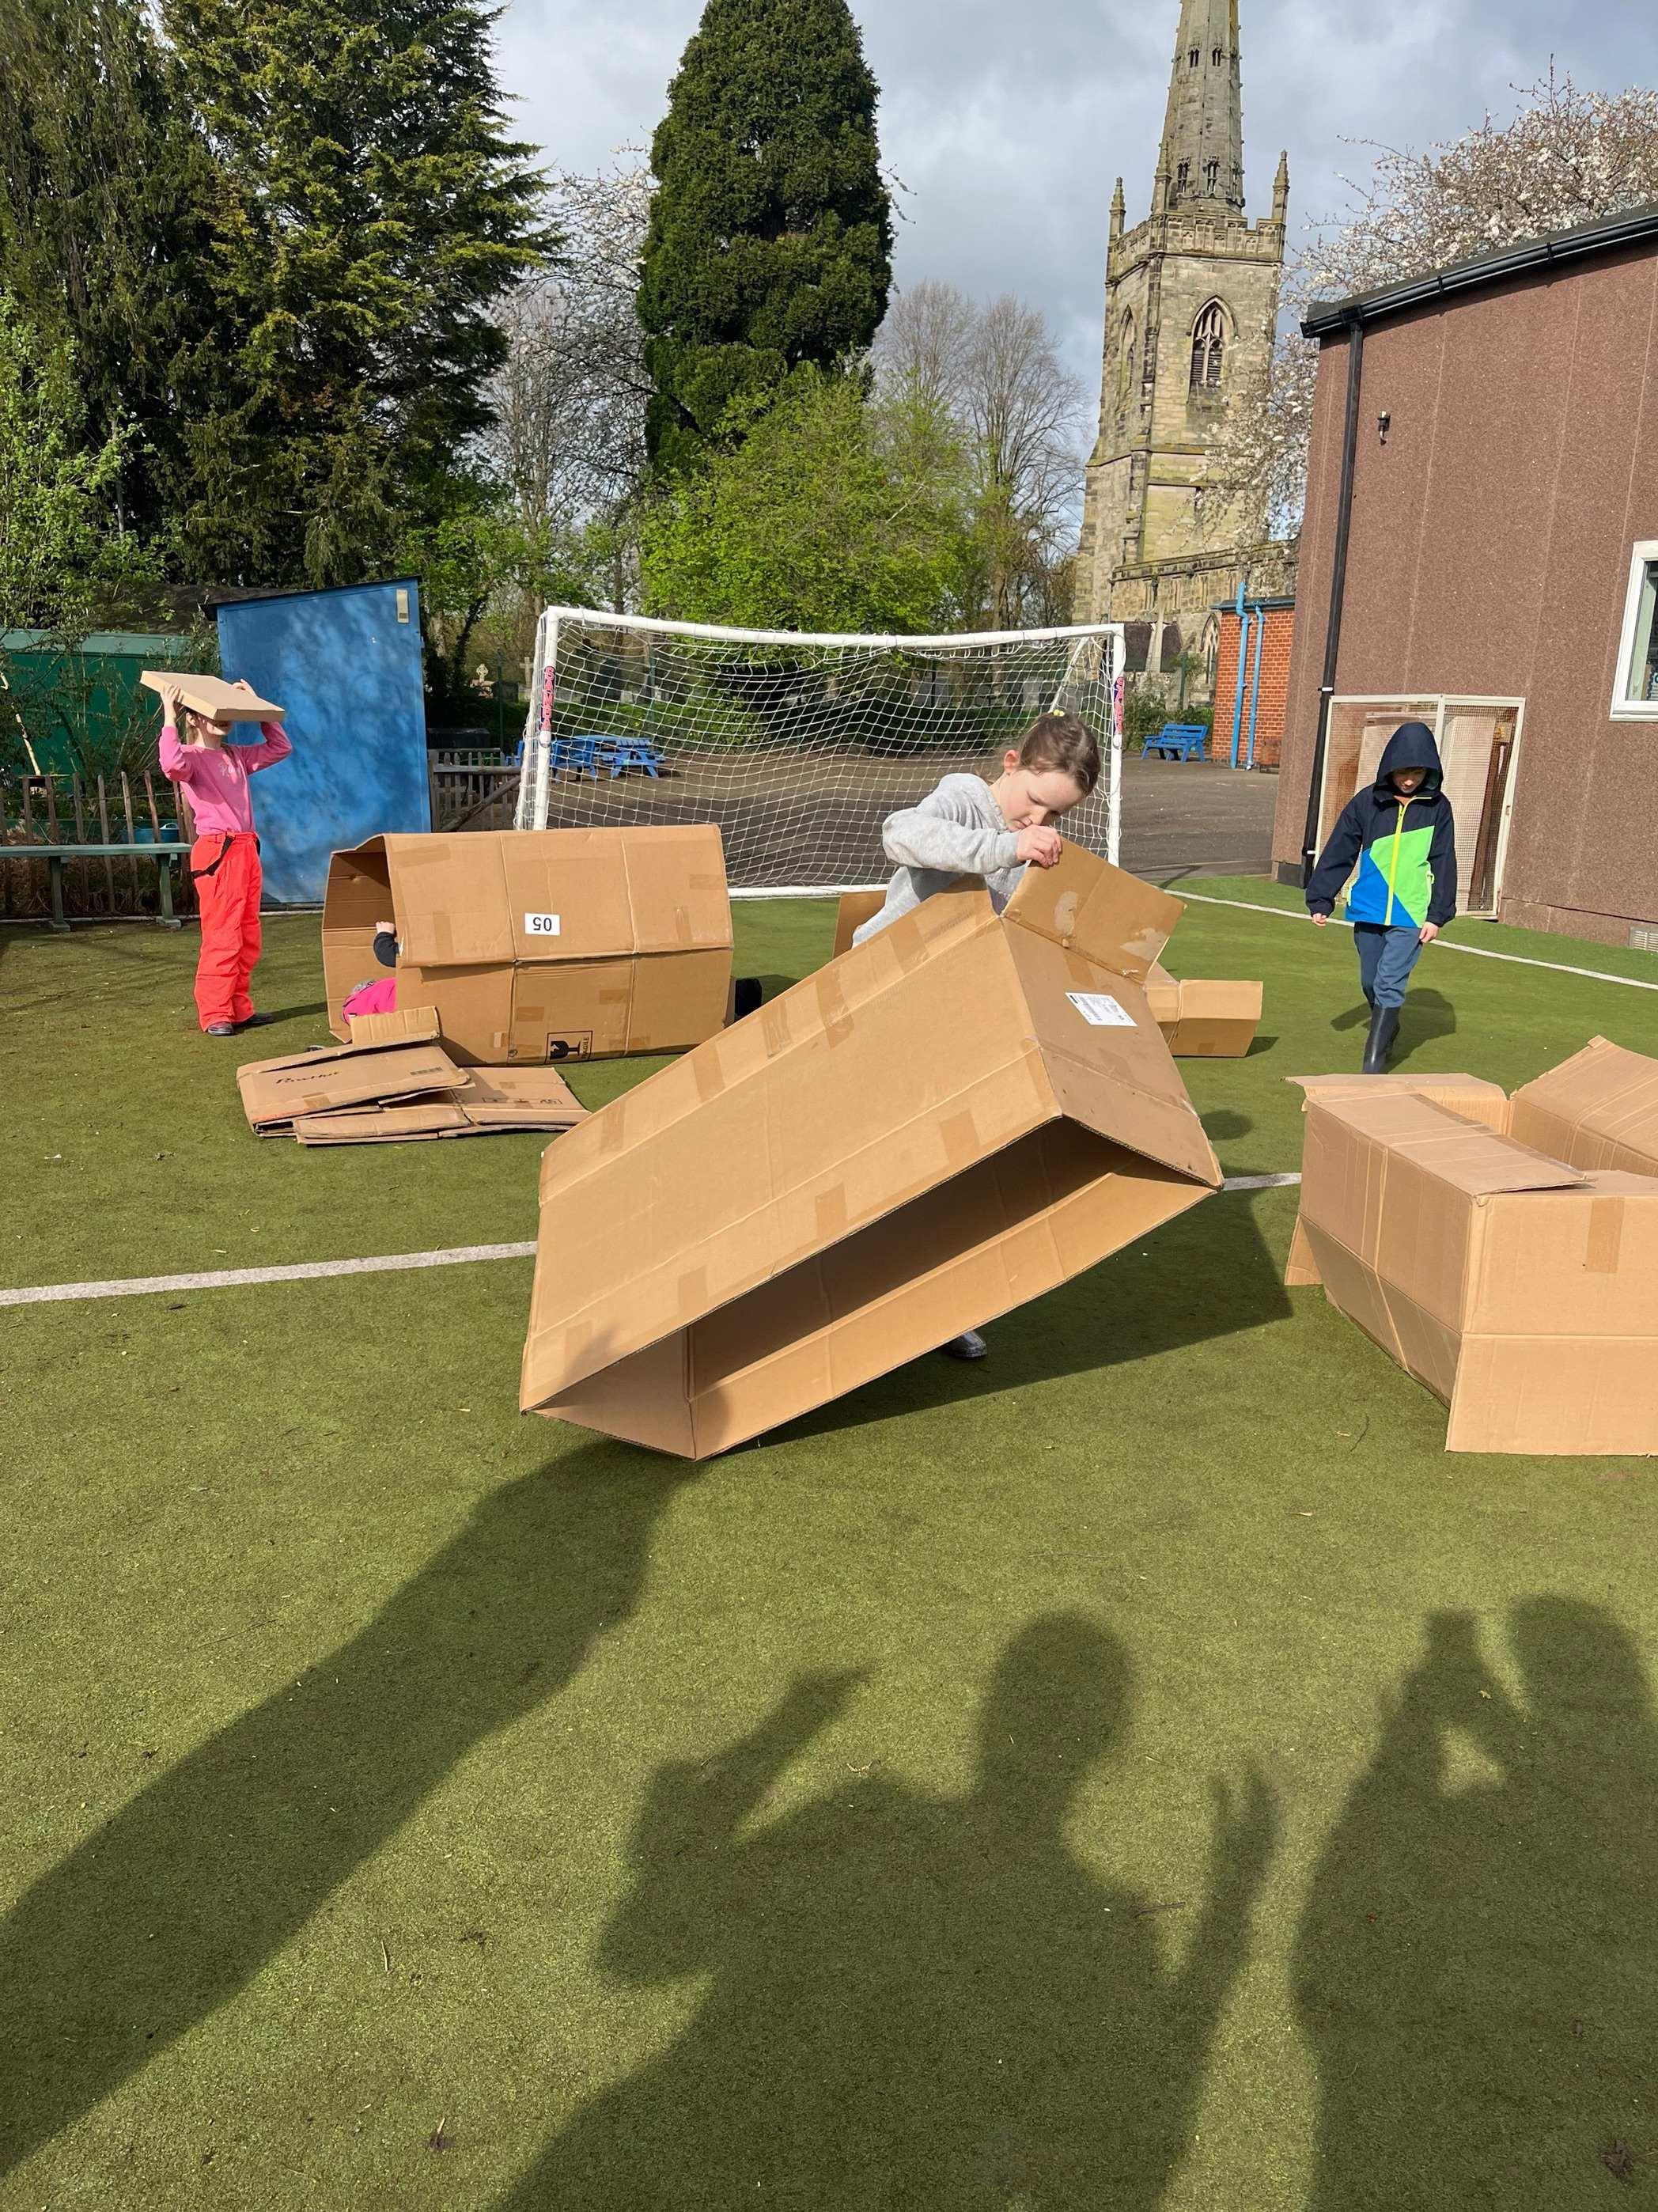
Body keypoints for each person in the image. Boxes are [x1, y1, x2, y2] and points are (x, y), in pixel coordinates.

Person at [855, 710, 1100, 1359]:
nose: (1039, 821)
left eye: (1057, 815)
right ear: (1012, 764)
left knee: (953, 1166)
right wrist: (1003, 848)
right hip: (884, 1001)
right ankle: (852, 1299)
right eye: (1036, 802)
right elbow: (901, 834)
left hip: (956, 1012)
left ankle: (942, 1308)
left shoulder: (1036, 845)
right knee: (877, 1164)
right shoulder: (964, 797)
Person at [1305, 719, 1456, 1073]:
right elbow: (1341, 847)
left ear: (1429, 771)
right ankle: (1389, 1024)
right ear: (1390, 767)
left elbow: (1444, 859)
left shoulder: (1438, 807)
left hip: (1411, 912)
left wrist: (1437, 915)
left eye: (1417, 773)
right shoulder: (1367, 802)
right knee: (1370, 981)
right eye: (1403, 772)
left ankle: (1373, 1062)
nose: (1409, 781)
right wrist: (1321, 897)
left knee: (1390, 981)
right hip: (1369, 908)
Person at [157, 680, 292, 1036]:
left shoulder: (237, 756)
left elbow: (281, 747)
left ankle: (238, 1008)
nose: (222, 719)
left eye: (226, 712)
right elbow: (170, 765)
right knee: (223, 933)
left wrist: (257, 706)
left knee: (247, 934)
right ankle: (215, 1012)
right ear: (193, 719)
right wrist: (169, 715)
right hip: (219, 850)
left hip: (246, 848)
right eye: (211, 713)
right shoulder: (190, 757)